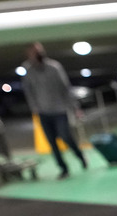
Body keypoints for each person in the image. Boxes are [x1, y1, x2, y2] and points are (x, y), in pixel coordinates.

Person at [22, 42, 87, 179]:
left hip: (59, 110)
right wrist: (34, 108)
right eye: (33, 52)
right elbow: (28, 91)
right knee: (52, 142)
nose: (36, 54)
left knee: (65, 136)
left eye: (38, 51)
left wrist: (75, 108)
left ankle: (80, 156)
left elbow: (65, 88)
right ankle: (63, 168)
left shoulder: (54, 67)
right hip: (43, 113)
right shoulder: (28, 71)